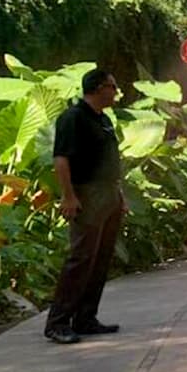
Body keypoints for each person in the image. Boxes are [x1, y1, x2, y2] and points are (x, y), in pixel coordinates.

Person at [44, 69, 124, 344]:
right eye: (112, 86)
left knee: (100, 258)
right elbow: (61, 159)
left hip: (109, 194)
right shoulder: (73, 118)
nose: (116, 91)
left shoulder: (103, 120)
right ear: (98, 88)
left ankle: (86, 317)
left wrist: (118, 196)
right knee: (80, 259)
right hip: (86, 194)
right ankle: (57, 322)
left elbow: (109, 158)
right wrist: (68, 196)